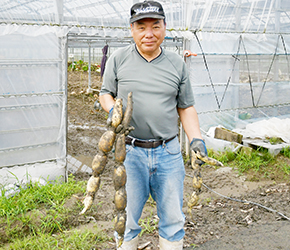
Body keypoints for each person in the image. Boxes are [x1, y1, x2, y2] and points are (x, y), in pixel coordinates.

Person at [99, 1, 207, 249]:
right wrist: (113, 110)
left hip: (168, 152)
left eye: (155, 26)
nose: (149, 34)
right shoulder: (118, 59)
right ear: (131, 29)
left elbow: (186, 106)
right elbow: (105, 93)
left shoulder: (175, 63)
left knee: (172, 218)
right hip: (129, 153)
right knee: (125, 218)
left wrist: (196, 139)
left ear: (165, 28)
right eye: (141, 27)